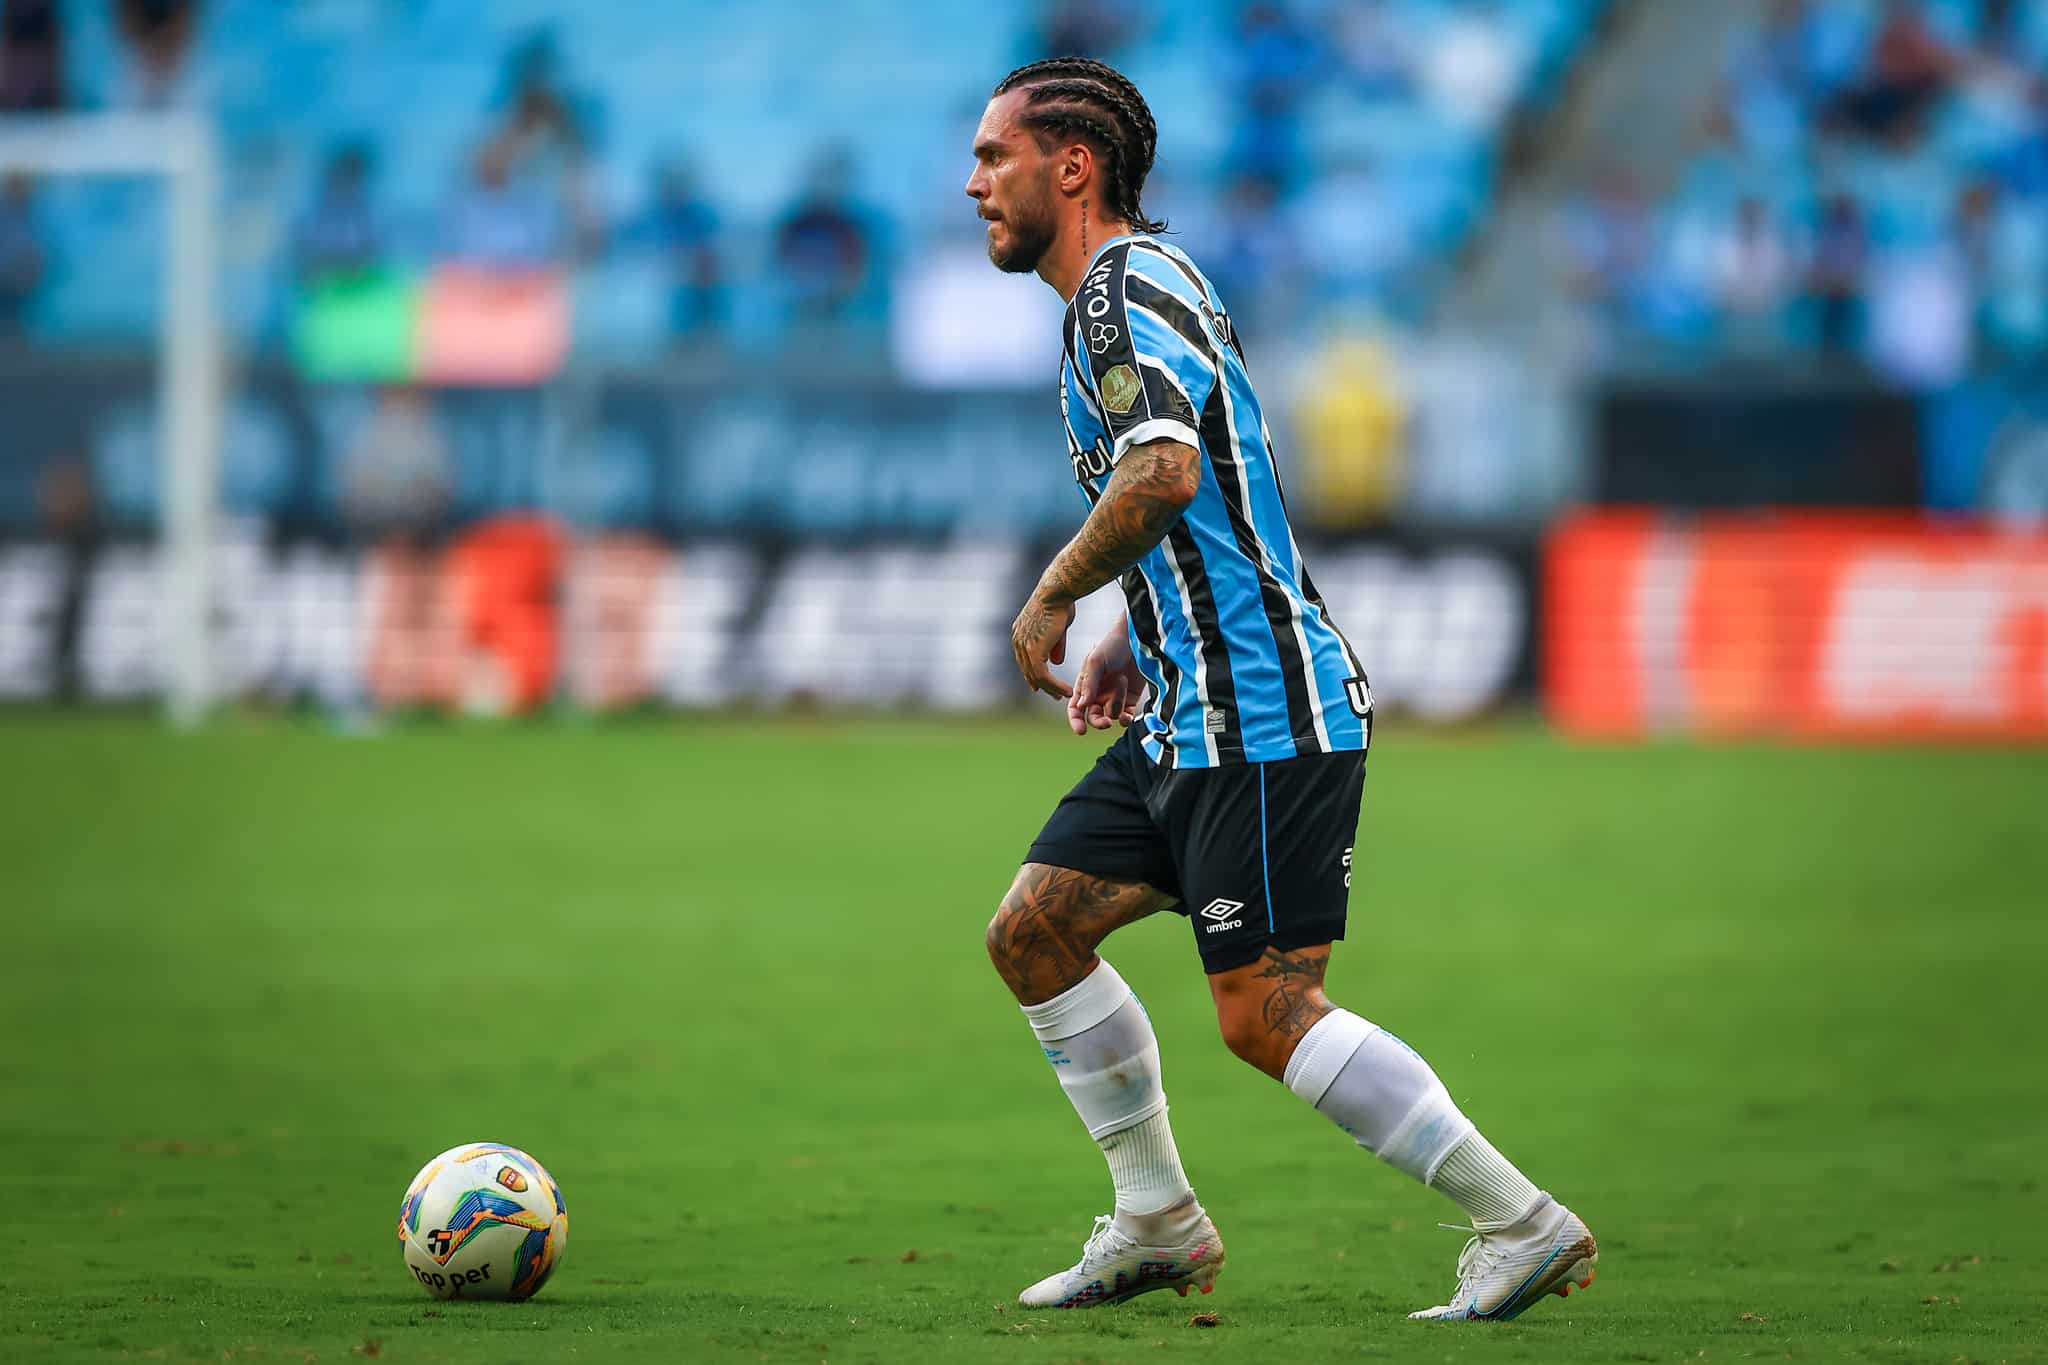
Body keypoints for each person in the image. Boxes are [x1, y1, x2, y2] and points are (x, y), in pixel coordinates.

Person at [965, 56, 1597, 1320]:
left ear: (1071, 166)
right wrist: (1136, 632)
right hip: (1185, 709)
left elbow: (1162, 474)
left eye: (995, 157)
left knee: (1264, 1013)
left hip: (1260, 713)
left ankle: (1518, 1222)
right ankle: (1156, 1220)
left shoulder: (1119, 292)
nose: (974, 181)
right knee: (1033, 934)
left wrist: (1052, 596)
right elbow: (1203, 490)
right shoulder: (1129, 289)